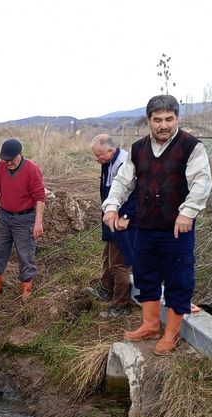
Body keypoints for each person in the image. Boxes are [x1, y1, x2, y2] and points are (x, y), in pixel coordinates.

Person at [102, 95, 212, 355]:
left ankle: (171, 334)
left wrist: (188, 212)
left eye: (169, 119)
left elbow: (202, 182)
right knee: (145, 275)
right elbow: (122, 181)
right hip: (145, 227)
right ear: (149, 121)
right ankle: (150, 326)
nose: (164, 125)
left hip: (177, 228)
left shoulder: (191, 146)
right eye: (158, 120)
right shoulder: (138, 149)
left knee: (178, 279)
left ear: (177, 118)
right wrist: (111, 206)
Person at [0, 138, 47, 301]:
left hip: (25, 219)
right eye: (5, 160)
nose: (8, 163)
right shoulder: (1, 167)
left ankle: (26, 290)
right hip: (4, 217)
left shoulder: (31, 169)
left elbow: (40, 197)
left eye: (11, 160)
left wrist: (38, 222)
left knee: (25, 254)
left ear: (19, 155)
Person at [88, 133, 136, 318]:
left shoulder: (124, 164)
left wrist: (125, 216)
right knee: (107, 255)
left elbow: (135, 194)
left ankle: (120, 305)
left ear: (111, 150)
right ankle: (106, 289)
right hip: (110, 216)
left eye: (99, 155)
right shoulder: (108, 162)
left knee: (119, 263)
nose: (96, 158)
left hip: (121, 218)